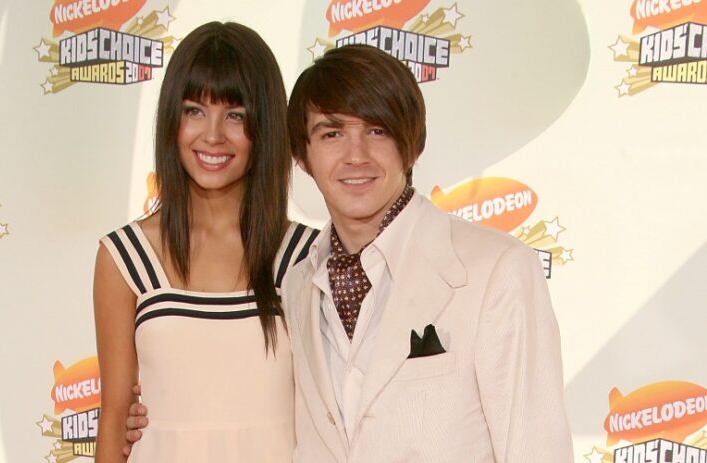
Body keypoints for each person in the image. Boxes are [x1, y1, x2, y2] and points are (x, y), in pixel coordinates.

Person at [127, 44, 574, 462]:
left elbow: (536, 449)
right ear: (302, 156)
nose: (355, 156)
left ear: (412, 144)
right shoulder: (299, 284)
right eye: (332, 133)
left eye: (377, 131)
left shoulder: (495, 270)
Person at [92, 21, 315, 463]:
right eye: (194, 110)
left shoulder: (306, 257)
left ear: (265, 125)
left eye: (235, 115)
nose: (212, 135)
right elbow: (115, 420)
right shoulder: (125, 258)